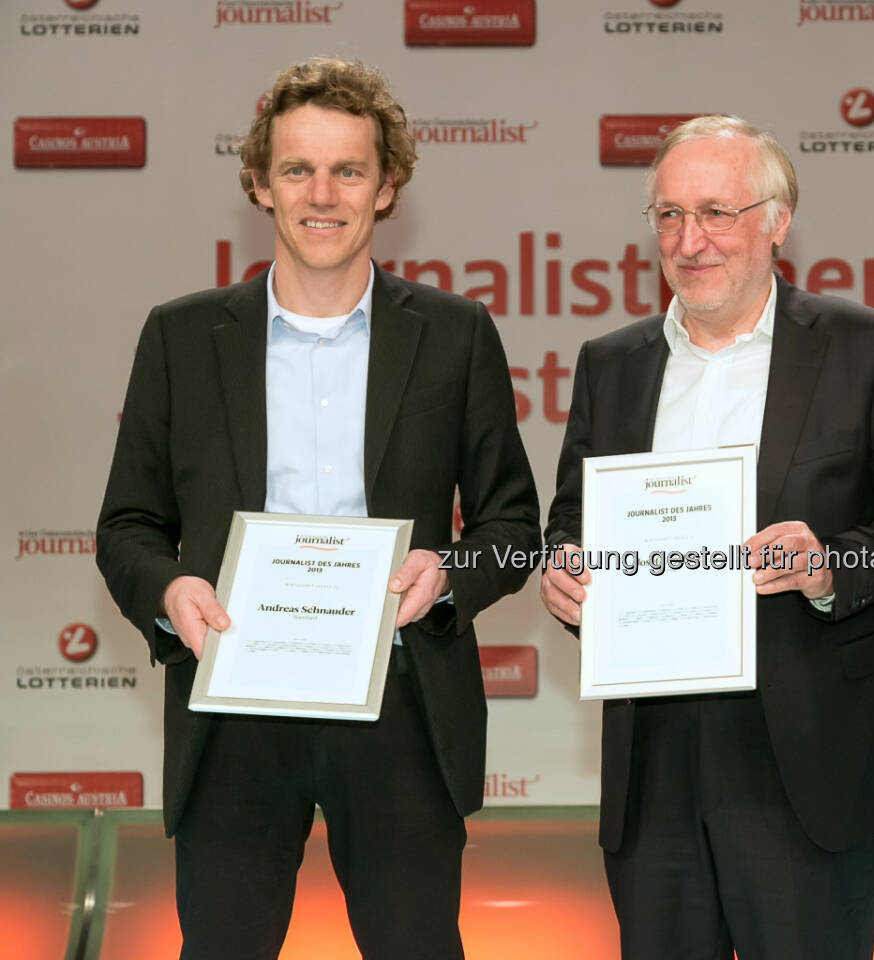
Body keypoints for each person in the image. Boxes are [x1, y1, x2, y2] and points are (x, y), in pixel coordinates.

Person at [95, 57, 540, 959]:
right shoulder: (181, 337)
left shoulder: (456, 335)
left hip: (404, 705)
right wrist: (170, 592)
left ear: (388, 187)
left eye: (350, 170)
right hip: (231, 706)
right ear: (260, 182)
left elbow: (511, 525)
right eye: (298, 168)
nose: (322, 194)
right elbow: (128, 526)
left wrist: (449, 573)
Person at [540, 115, 874, 958]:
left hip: (802, 757)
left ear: (776, 221)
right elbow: (572, 519)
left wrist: (829, 566)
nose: (690, 240)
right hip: (652, 757)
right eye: (668, 216)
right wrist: (562, 573)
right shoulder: (610, 363)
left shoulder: (862, 346)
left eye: (716, 213)